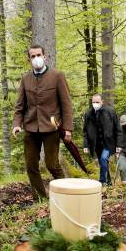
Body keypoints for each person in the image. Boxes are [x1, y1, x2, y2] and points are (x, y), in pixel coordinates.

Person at [12, 44, 74, 199]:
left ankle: (68, 192)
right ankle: (40, 198)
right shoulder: (26, 79)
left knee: (51, 164)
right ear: (29, 60)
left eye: (38, 55)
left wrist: (68, 129)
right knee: (31, 166)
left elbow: (66, 104)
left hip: (51, 128)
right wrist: (17, 125)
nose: (36, 59)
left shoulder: (57, 76)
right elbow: (20, 105)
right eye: (32, 56)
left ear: (44, 56)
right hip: (31, 128)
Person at [83, 94, 122, 186]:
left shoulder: (110, 111)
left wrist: (118, 145)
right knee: (102, 163)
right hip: (96, 144)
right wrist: (85, 145)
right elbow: (85, 131)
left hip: (108, 143)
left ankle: (102, 181)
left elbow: (118, 129)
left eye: (97, 102)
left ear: (102, 102)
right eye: (93, 102)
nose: (95, 104)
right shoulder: (88, 114)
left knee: (104, 159)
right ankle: (108, 182)